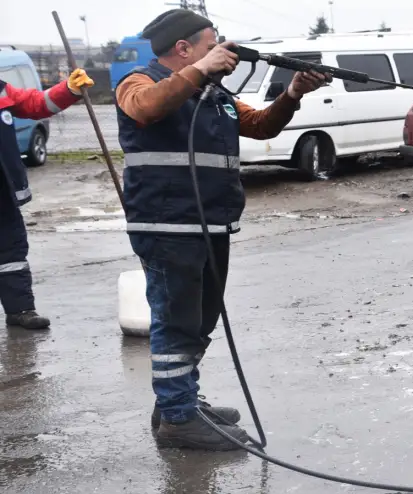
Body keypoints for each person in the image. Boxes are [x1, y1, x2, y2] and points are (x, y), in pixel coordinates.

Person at [115, 9, 327, 451]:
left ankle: (181, 402)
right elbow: (145, 109)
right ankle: (177, 419)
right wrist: (200, 71)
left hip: (211, 225)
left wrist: (292, 94)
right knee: (176, 323)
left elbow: (262, 125)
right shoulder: (138, 82)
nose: (221, 51)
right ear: (184, 49)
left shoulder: (215, 94)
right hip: (167, 224)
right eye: (213, 44)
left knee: (200, 321)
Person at [1, 69, 94, 330]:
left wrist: (69, 89)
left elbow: (36, 104)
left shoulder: (2, 89)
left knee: (11, 251)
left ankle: (20, 310)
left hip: (2, 190)